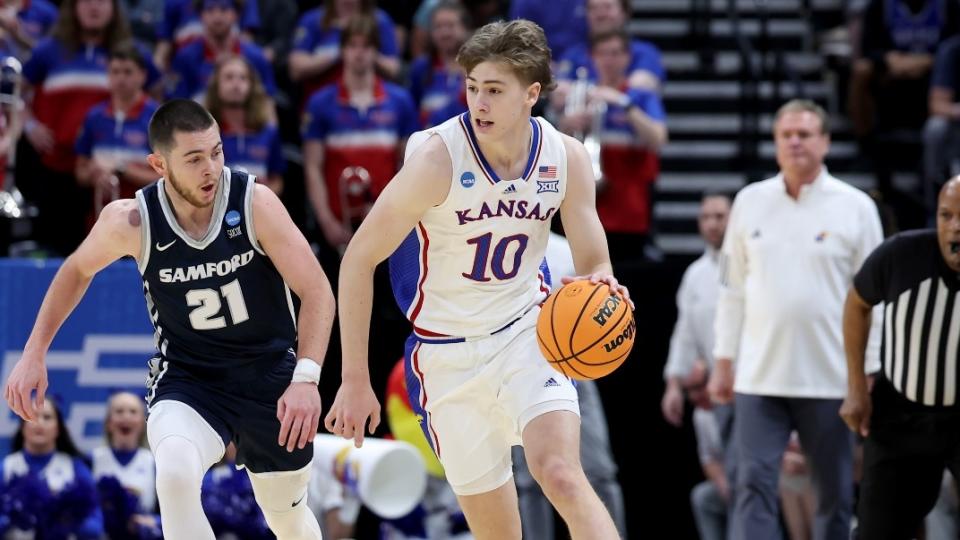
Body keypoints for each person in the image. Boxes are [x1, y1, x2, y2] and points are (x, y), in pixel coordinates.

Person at [324, 19, 628, 540]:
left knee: (561, 474)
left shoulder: (566, 158)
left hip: (527, 335)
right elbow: (358, 259)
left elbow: (595, 260)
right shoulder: (436, 159)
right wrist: (355, 379)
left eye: (493, 90)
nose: (478, 102)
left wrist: (604, 283)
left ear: (532, 93)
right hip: (446, 355)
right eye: (471, 88)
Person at [3, 99, 335, 540]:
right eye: (194, 159)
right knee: (175, 474)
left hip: (269, 376)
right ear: (159, 164)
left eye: (216, 152)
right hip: (189, 377)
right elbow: (76, 270)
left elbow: (317, 291)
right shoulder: (131, 221)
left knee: (286, 518)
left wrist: (306, 378)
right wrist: (34, 352)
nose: (211, 169)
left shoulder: (254, 202)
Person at [707, 98, 884, 540]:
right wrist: (724, 359)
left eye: (804, 134)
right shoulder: (749, 202)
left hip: (830, 378)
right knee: (752, 489)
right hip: (758, 377)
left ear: (824, 141)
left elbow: (877, 301)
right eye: (786, 135)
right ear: (775, 143)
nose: (795, 142)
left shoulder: (857, 207)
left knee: (834, 496)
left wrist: (870, 369)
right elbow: (731, 289)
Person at [840, 176, 960, 538]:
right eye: (946, 215)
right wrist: (857, 386)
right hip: (900, 415)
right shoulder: (900, 255)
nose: (955, 227)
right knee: (877, 529)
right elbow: (856, 304)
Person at [661, 192, 730, 427]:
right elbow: (685, 334)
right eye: (706, 217)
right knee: (720, 460)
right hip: (716, 388)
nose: (712, 223)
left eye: (720, 216)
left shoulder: (754, 266)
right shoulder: (695, 275)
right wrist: (674, 385)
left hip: (757, 386)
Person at [0, 399, 104, 539]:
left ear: (58, 429)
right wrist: (11, 517)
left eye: (47, 417)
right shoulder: (7, 467)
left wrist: (67, 518)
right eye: (32, 416)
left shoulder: (75, 468)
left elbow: (95, 527)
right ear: (22, 426)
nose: (39, 422)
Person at [205, 55, 285, 195]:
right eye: (229, 77)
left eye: (243, 78)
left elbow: (276, 180)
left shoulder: (268, 132)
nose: (236, 84)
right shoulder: (204, 134)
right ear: (216, 85)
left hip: (258, 210)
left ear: (252, 86)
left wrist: (255, 200)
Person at [92, 391, 162, 540]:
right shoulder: (92, 461)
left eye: (133, 411)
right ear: (109, 423)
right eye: (119, 411)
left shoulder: (155, 464)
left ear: (143, 423)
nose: (126, 417)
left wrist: (154, 522)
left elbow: (173, 515)